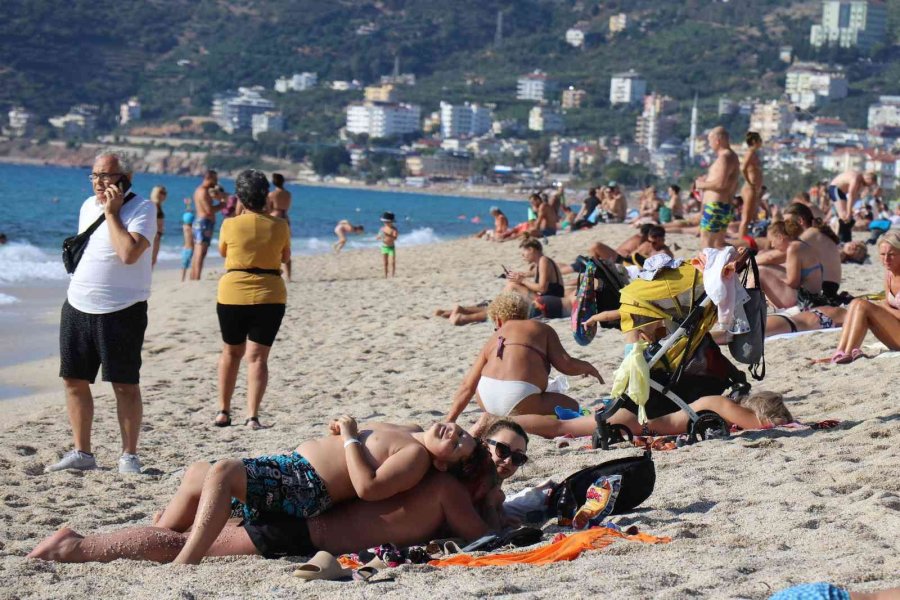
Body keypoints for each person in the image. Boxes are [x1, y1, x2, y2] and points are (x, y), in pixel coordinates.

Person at [30, 419, 484, 564]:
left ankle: (75, 547)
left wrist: (347, 436)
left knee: (217, 482)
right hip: (300, 483)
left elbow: (367, 487)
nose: (457, 431)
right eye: (464, 430)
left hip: (306, 513)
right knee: (200, 475)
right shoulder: (413, 439)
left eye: (464, 442)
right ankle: (157, 529)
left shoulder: (434, 474)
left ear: (453, 464)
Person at [49, 151, 156, 475]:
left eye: (106, 176)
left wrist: (112, 213)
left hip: (121, 309)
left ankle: (129, 456)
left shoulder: (143, 208)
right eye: (94, 176)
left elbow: (128, 253)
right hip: (78, 304)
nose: (99, 182)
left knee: (124, 384)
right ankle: (83, 452)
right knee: (73, 379)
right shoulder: (86, 205)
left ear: (125, 179)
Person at [446, 292, 603, 423]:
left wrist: (449, 420)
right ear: (526, 313)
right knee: (571, 406)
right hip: (519, 397)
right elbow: (566, 364)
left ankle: (504, 417)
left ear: (499, 319)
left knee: (532, 403)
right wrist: (587, 366)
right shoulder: (542, 328)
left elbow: (467, 385)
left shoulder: (495, 337)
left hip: (486, 400)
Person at [214, 170, 291, 430]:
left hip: (233, 292)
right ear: (265, 196)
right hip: (270, 293)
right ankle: (252, 416)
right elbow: (285, 256)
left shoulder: (229, 225)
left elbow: (223, 250)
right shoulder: (280, 225)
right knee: (258, 357)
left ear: (240, 198)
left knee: (231, 352)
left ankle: (223, 411)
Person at [511, 391, 793, 440]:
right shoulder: (723, 405)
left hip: (638, 421)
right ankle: (502, 423)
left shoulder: (717, 403)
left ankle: (505, 422)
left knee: (563, 426)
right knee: (561, 427)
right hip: (636, 424)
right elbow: (763, 425)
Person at [830, 230, 900, 363]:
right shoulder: (889, 275)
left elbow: (887, 307)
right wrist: (884, 306)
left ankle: (850, 351)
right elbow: (888, 306)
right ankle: (841, 351)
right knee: (856, 302)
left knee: (863, 305)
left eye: (891, 254)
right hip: (895, 330)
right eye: (882, 254)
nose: (886, 259)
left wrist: (884, 307)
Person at [757, 221, 825, 309]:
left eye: (772, 241)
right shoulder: (801, 245)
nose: (772, 245)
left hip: (804, 300)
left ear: (780, 237)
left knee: (760, 271)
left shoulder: (793, 249)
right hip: (811, 296)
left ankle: (747, 305)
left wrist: (777, 279)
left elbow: (793, 283)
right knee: (763, 261)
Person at [696, 126, 740, 249]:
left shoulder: (724, 157)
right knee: (717, 244)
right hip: (723, 205)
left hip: (715, 206)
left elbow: (721, 184)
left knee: (707, 242)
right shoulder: (732, 156)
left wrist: (701, 185)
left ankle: (707, 268)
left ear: (717, 141)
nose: (709, 144)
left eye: (710, 141)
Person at [190, 170, 223, 280]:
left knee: (199, 251)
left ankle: (194, 276)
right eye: (215, 179)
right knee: (200, 251)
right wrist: (223, 205)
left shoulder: (201, 190)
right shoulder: (203, 191)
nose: (216, 182)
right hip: (204, 222)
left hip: (202, 222)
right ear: (208, 178)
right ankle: (196, 277)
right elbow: (209, 210)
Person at [827, 170, 877, 242]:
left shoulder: (861, 182)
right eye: (869, 184)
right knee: (844, 216)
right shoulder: (856, 178)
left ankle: (844, 238)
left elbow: (855, 197)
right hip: (835, 189)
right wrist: (849, 212)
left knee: (848, 218)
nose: (868, 186)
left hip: (841, 193)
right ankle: (841, 239)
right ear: (868, 178)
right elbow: (851, 195)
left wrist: (850, 211)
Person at [738, 131, 763, 240]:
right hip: (750, 187)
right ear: (754, 141)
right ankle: (741, 239)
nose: (761, 143)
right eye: (760, 140)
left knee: (752, 216)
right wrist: (749, 181)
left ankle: (745, 237)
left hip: (753, 187)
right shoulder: (750, 153)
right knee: (746, 217)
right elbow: (743, 168)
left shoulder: (754, 153)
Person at [267, 173, 292, 281]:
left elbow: (269, 208)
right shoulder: (288, 194)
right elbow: (287, 206)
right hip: (285, 217)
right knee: (285, 246)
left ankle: (274, 271)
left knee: (272, 246)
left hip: (275, 217)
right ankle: (289, 276)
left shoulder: (272, 194)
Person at [149, 185, 167, 268]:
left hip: (157, 236)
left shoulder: (158, 205)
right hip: (154, 237)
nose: (164, 195)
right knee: (151, 261)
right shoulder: (154, 205)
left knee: (153, 261)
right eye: (161, 192)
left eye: (164, 193)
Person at [377, 211, 398, 278]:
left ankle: (393, 275)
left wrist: (388, 235)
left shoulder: (394, 229)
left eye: (387, 222)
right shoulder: (382, 229)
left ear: (391, 222)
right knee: (385, 262)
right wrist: (380, 236)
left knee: (392, 262)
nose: (385, 223)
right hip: (384, 247)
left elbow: (395, 238)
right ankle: (385, 275)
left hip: (391, 247)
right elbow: (378, 236)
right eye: (384, 222)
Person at [180, 198, 194, 282]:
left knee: (185, 265)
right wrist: (188, 205)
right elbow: (188, 214)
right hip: (189, 248)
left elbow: (187, 214)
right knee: (186, 265)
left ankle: (184, 279)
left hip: (186, 248)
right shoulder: (190, 228)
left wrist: (188, 205)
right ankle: (184, 279)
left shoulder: (185, 227)